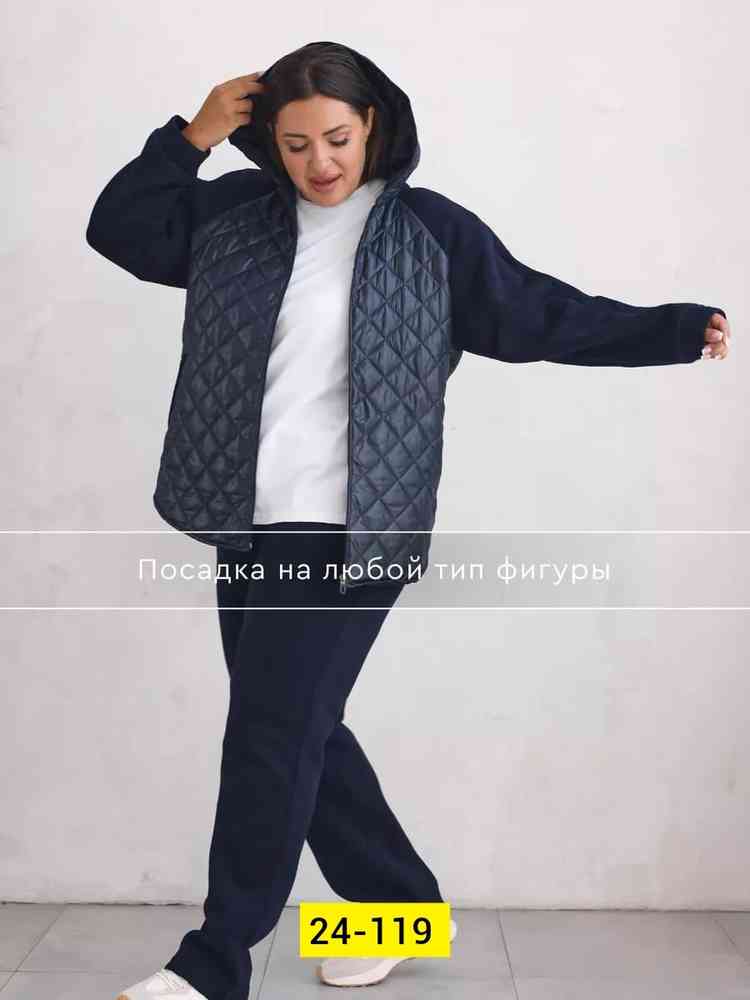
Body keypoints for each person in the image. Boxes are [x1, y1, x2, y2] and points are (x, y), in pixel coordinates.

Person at [85, 40, 730, 1000]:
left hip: (356, 528)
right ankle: (399, 906)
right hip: (248, 519)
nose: (320, 162)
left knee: (270, 735)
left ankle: (214, 965)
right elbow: (120, 229)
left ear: (374, 126)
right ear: (270, 143)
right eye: (296, 144)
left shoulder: (430, 233)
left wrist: (668, 330)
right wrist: (193, 137)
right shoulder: (233, 219)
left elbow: (537, 314)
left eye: (337, 138)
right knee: (299, 727)